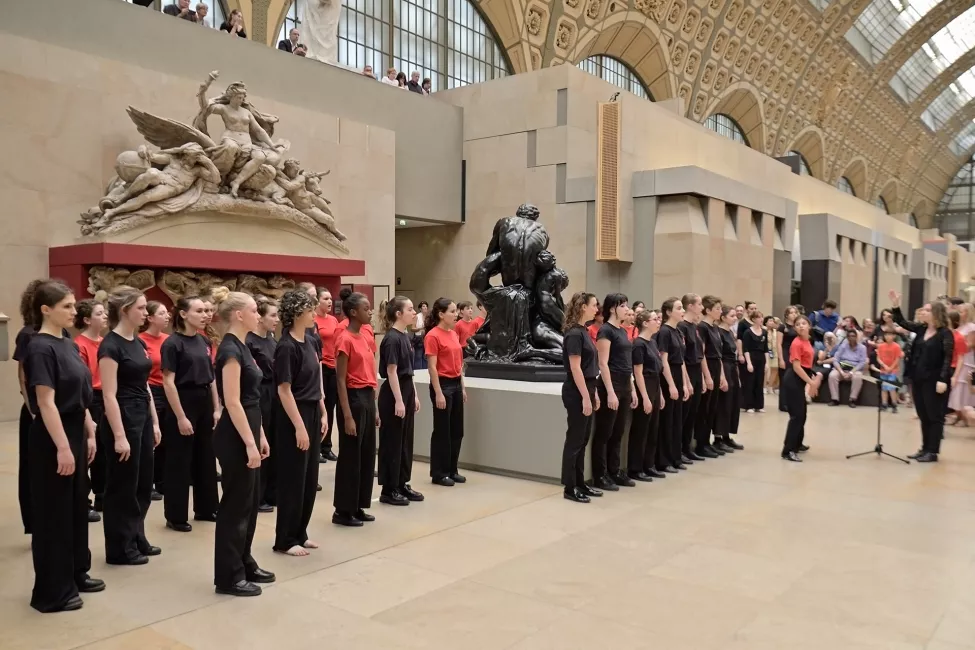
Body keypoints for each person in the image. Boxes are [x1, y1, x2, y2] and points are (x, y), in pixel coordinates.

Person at [24, 280, 104, 612]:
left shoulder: (67, 343)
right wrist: (62, 447)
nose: (75, 311)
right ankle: (52, 591)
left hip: (74, 427)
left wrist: (88, 430)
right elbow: (45, 402)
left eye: (74, 305)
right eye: (67, 306)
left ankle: (75, 572)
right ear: (46, 310)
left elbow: (81, 394)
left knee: (75, 507)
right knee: (54, 513)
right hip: (52, 435)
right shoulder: (39, 347)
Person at [213, 292, 275, 596]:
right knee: (235, 507)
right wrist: (250, 443)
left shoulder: (243, 346)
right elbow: (233, 402)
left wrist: (260, 435)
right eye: (253, 310)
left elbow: (252, 401)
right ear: (238, 315)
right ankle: (228, 575)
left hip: (249, 427)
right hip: (235, 434)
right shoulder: (229, 351)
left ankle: (244, 560)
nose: (258, 314)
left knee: (249, 505)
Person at [98, 288, 161, 565]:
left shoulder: (137, 343)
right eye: (141, 308)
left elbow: (145, 384)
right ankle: (119, 546)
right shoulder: (110, 345)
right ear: (125, 310)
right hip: (122, 415)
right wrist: (120, 435)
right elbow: (108, 393)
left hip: (142, 415)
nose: (145, 313)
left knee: (143, 481)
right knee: (123, 484)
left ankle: (136, 534)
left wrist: (155, 420)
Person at [160, 296, 220, 532]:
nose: (206, 315)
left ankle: (206, 508)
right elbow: (168, 381)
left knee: (206, 456)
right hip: (182, 400)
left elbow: (211, 376)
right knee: (179, 460)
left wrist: (216, 408)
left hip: (204, 399)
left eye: (207, 311)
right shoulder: (173, 344)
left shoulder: (204, 341)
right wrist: (181, 416)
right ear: (183, 314)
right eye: (199, 311)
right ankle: (175, 515)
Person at [273, 290, 327, 554]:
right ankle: (285, 538)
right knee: (294, 478)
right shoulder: (286, 346)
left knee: (309, 477)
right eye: (309, 310)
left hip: (312, 409)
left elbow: (316, 378)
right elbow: (284, 390)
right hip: (295, 414)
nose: (313, 314)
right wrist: (299, 426)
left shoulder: (310, 341)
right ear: (296, 314)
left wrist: (323, 411)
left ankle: (300, 531)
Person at [889, 291, 952, 462]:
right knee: (923, 414)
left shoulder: (945, 333)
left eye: (926, 310)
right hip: (919, 378)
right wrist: (895, 305)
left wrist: (942, 379)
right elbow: (902, 322)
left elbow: (947, 358)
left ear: (936, 314)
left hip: (935, 380)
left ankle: (933, 451)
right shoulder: (921, 329)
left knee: (934, 416)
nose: (923, 312)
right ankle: (924, 448)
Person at [333, 292, 379, 526]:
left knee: (367, 454)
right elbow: (340, 380)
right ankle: (343, 509)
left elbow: (370, 375)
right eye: (366, 308)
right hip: (352, 398)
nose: (370, 311)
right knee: (351, 456)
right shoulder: (344, 338)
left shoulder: (364, 337)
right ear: (353, 312)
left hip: (367, 398)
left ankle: (359, 504)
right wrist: (347, 416)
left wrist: (376, 409)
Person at [377, 297, 424, 507]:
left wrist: (413, 395)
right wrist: (398, 400)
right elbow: (391, 371)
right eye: (410, 309)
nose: (414, 313)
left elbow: (409, 372)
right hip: (394, 393)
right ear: (398, 313)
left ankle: (402, 481)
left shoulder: (405, 336)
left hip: (405, 389)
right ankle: (389, 488)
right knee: (393, 442)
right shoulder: (392, 339)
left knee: (406, 441)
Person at [591, 294, 636, 490]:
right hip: (611, 384)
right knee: (604, 432)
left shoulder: (623, 331)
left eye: (627, 305)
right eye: (623, 305)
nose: (627, 309)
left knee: (618, 432)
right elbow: (603, 363)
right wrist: (610, 392)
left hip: (625, 383)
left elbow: (627, 364)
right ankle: (600, 475)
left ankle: (614, 470)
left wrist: (631, 389)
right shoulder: (605, 331)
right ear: (612, 309)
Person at [560, 292, 602, 503]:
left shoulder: (584, 331)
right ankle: (570, 487)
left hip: (587, 387)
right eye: (594, 305)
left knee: (583, 439)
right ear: (583, 307)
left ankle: (580, 482)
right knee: (575, 440)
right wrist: (586, 397)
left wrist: (592, 394)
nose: (597, 308)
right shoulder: (574, 334)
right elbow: (575, 368)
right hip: (577, 389)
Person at [425, 298, 467, 486]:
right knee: (442, 431)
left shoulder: (453, 334)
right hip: (443, 384)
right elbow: (432, 368)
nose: (455, 314)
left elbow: (460, 363)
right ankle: (439, 472)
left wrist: (463, 387)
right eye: (452, 311)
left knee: (457, 430)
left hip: (456, 384)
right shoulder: (433, 336)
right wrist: (438, 392)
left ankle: (452, 468)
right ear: (441, 314)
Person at [14, 280, 45, 535]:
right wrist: (33, 409)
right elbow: (23, 376)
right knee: (31, 467)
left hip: (58, 408)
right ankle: (34, 521)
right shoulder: (27, 334)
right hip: (35, 409)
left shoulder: (62, 334)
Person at [74, 299, 107, 522]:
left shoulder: (105, 343)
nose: (105, 316)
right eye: (99, 313)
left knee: (104, 451)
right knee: (89, 451)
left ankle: (102, 495)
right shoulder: (80, 344)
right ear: (87, 319)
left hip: (107, 397)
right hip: (90, 398)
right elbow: (83, 380)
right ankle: (82, 501)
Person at [246, 297, 279, 512]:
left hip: (275, 392)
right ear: (260, 317)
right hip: (260, 393)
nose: (276, 319)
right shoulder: (250, 342)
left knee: (274, 442)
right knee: (262, 442)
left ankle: (271, 492)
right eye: (272, 315)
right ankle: (256, 495)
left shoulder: (272, 340)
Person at [630, 310, 665, 482]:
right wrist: (644, 396)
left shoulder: (652, 342)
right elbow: (638, 372)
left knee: (653, 428)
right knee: (641, 429)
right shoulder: (639, 344)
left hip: (655, 385)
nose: (658, 322)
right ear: (644, 323)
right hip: (645, 385)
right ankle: (635, 468)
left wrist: (660, 394)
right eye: (654, 319)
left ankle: (648, 464)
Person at [781, 316, 822, 462]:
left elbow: (808, 363)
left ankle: (797, 443)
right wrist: (811, 383)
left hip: (800, 378)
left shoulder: (807, 340)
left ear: (809, 326)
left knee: (802, 414)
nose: (801, 326)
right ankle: (788, 450)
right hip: (793, 379)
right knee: (797, 416)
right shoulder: (796, 343)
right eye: (797, 324)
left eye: (804, 323)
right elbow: (797, 367)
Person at [139, 302, 169, 501]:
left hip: (168, 389)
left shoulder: (168, 340)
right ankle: (146, 482)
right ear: (150, 318)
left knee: (166, 440)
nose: (167, 316)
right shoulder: (141, 340)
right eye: (162, 313)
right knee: (152, 438)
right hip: (151, 390)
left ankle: (162, 480)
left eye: (167, 313)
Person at [655, 297, 689, 473]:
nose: (682, 311)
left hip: (677, 374)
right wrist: (671, 385)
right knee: (667, 420)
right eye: (679, 308)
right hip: (668, 376)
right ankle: (663, 459)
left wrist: (684, 383)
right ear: (668, 312)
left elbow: (681, 360)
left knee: (677, 420)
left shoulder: (678, 332)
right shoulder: (665, 332)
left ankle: (675, 456)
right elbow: (664, 361)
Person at [695, 296, 729, 457]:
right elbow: (702, 353)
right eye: (717, 308)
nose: (720, 311)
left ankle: (707, 442)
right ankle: (701, 443)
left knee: (712, 408)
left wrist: (721, 375)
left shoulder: (715, 328)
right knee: (705, 408)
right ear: (707, 310)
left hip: (716, 366)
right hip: (707, 367)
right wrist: (707, 376)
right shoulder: (702, 327)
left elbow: (719, 355)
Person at [676, 294, 706, 464]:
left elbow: (699, 353)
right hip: (686, 370)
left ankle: (687, 447)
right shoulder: (682, 326)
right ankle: (679, 448)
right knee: (685, 413)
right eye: (699, 304)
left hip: (695, 370)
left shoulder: (694, 326)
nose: (701, 307)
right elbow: (683, 355)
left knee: (693, 412)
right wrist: (687, 380)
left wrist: (701, 375)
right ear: (690, 306)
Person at [313, 288, 340, 463]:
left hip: (334, 366)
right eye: (326, 298)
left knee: (331, 407)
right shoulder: (312, 320)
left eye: (331, 298)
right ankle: (316, 446)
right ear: (317, 301)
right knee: (321, 408)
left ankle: (327, 446)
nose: (330, 301)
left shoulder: (334, 320)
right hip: (320, 366)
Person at [715, 307, 744, 450]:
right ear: (723, 317)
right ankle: (718, 437)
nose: (735, 318)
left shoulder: (731, 333)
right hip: (724, 368)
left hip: (732, 367)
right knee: (724, 403)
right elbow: (719, 356)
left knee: (732, 403)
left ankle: (727, 435)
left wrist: (737, 375)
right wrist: (722, 376)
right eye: (732, 315)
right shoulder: (719, 333)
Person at [826, 329, 868, 407]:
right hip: (842, 368)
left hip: (855, 369)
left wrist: (851, 372)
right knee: (832, 375)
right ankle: (835, 399)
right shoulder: (843, 346)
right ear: (847, 337)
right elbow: (835, 359)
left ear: (856, 337)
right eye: (849, 336)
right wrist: (841, 372)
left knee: (858, 377)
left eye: (853, 336)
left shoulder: (862, 348)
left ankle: (852, 399)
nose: (851, 338)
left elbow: (862, 362)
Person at [740, 310, 767, 413]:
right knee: (750, 381)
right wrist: (749, 363)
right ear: (754, 319)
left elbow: (766, 349)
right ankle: (749, 405)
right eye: (759, 317)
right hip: (751, 357)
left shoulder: (764, 332)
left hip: (761, 358)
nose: (761, 319)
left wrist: (767, 363)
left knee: (759, 382)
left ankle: (759, 405)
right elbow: (745, 348)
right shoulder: (748, 332)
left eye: (762, 317)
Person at [875, 328, 903, 413]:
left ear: (894, 336)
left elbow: (897, 358)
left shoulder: (897, 346)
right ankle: (884, 404)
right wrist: (884, 365)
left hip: (892, 371)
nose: (888, 336)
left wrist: (890, 368)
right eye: (886, 334)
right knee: (884, 388)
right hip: (883, 370)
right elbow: (878, 358)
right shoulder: (881, 346)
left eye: (890, 334)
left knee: (891, 387)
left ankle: (894, 404)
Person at [776, 306, 799, 412]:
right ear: (786, 315)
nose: (794, 314)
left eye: (795, 312)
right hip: (785, 353)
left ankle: (792, 402)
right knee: (784, 379)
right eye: (791, 312)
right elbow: (778, 344)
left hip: (796, 354)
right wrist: (780, 359)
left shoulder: (798, 326)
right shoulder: (782, 327)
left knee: (793, 380)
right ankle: (783, 404)